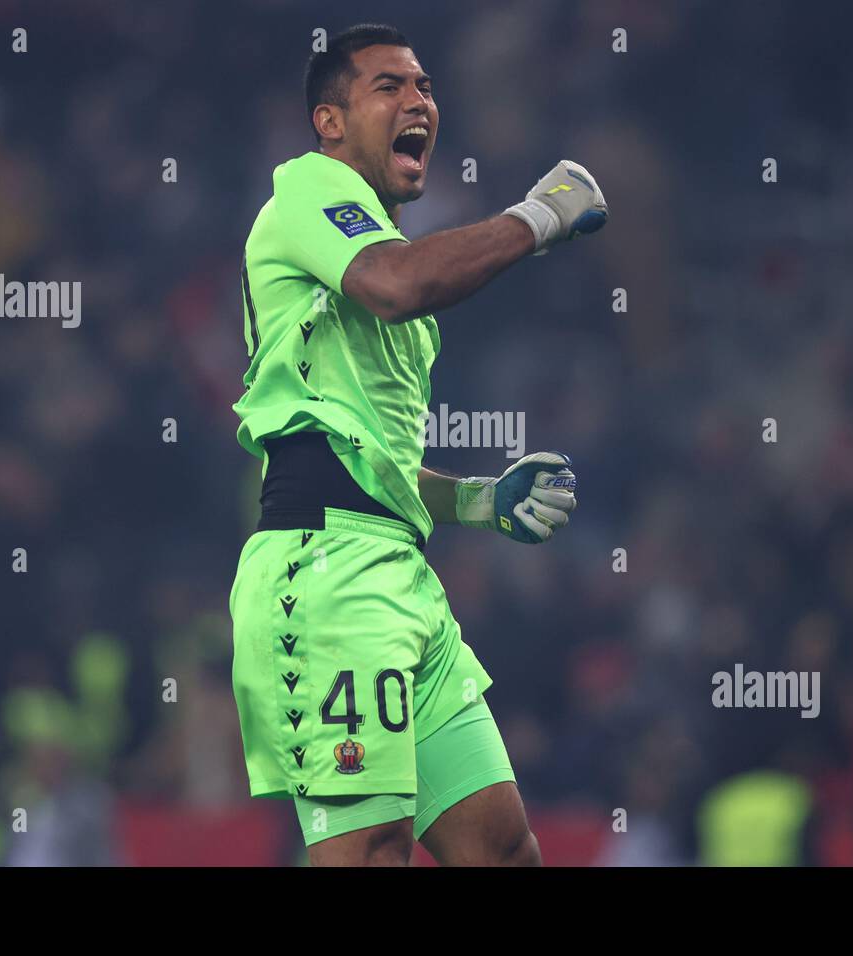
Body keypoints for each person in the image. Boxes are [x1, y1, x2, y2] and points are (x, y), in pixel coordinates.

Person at [229, 22, 607, 866]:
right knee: (374, 854)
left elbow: (369, 454)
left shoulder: (385, 262)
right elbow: (399, 286)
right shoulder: (307, 192)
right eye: (389, 87)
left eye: (426, 86)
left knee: (506, 853)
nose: (418, 102)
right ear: (330, 121)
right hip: (323, 576)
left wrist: (472, 499)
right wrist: (538, 217)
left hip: (401, 578)